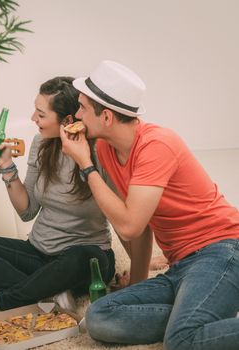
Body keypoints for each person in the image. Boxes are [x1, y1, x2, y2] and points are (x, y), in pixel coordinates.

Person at [60, 60, 239, 349]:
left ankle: (195, 321)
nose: (76, 114)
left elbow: (129, 227)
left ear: (106, 117)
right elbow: (141, 227)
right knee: (99, 315)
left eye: (81, 107)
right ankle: (202, 314)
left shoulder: (157, 145)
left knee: (181, 343)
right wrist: (138, 284)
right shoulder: (108, 148)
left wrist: (85, 165)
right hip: (181, 266)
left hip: (220, 252)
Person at [0, 77, 116, 314]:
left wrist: (138, 275)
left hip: (84, 259)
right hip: (38, 253)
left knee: (82, 257)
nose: (33, 119)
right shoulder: (42, 143)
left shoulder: (99, 152)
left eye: (41, 114)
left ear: (67, 120)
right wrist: (6, 164)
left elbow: (124, 216)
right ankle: (50, 291)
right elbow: (27, 210)